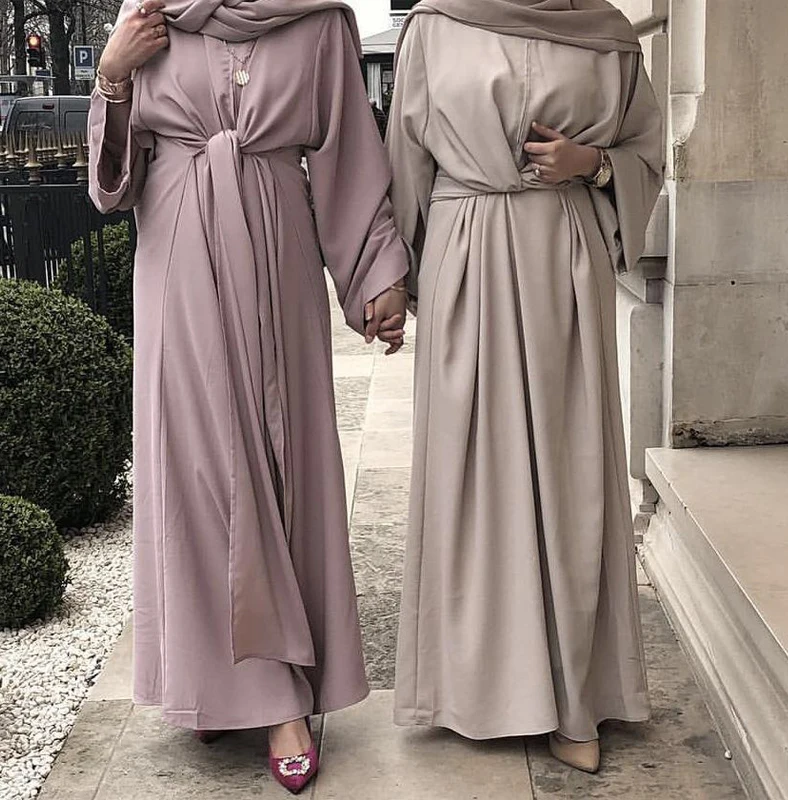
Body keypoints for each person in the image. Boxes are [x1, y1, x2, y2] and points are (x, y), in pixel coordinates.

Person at [89, 0, 407, 793]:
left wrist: (376, 273)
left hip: (277, 245)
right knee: (199, 472)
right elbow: (115, 186)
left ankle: (275, 692)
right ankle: (223, 682)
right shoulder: (151, 11)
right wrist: (113, 76)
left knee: (282, 460)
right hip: (178, 247)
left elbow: (346, 152)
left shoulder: (319, 21)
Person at [386, 0, 663, 774]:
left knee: (573, 476)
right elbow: (405, 158)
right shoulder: (435, 25)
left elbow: (645, 153)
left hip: (564, 259)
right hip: (466, 253)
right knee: (475, 471)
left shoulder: (607, 34)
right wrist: (392, 278)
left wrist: (593, 165)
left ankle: (577, 693)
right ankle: (475, 687)